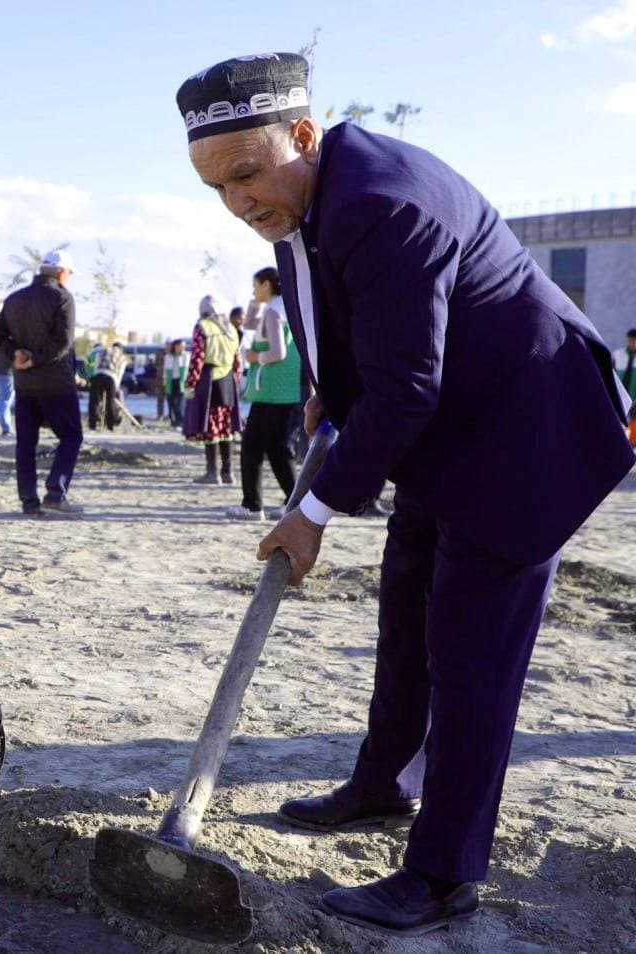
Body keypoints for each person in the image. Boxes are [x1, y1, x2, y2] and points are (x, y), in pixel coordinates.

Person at [176, 52, 635, 935]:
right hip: (446, 433)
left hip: (522, 434)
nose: (238, 203)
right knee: (406, 604)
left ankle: (442, 873)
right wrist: (329, 388)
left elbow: (407, 388)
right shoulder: (304, 196)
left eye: (246, 174)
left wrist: (310, 513)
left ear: (302, 135)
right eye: (217, 187)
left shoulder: (385, 202)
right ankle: (382, 781)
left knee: (471, 653)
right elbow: (344, 321)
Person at [0, 250, 84, 517]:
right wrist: (35, 359)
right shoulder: (62, 297)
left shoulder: (15, 298)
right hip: (56, 384)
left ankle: (29, 501)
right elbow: (63, 343)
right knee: (72, 436)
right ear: (62, 273)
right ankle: (55, 492)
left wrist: (15, 353)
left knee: (26, 444)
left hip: (26, 385)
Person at [226, 267, 300, 520]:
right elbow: (248, 324)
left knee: (252, 448)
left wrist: (254, 356)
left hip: (270, 391)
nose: (253, 290)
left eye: (256, 285)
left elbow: (277, 352)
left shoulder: (272, 313)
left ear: (267, 285)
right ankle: (295, 501)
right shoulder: (284, 307)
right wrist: (255, 301)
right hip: (285, 390)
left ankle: (252, 505)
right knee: (278, 448)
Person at [183, 294, 240, 484]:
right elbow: (238, 361)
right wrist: (235, 381)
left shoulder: (202, 327)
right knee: (226, 427)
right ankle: (228, 472)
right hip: (228, 381)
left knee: (211, 428)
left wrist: (190, 383)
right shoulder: (231, 329)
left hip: (210, 381)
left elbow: (197, 358)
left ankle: (212, 473)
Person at [87, 341, 127, 430]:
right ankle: (110, 425)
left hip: (98, 375)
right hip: (111, 378)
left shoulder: (103, 351)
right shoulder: (122, 357)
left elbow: (96, 364)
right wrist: (116, 386)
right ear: (121, 349)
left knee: (94, 401)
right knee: (110, 402)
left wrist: (96, 374)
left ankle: (92, 424)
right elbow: (120, 372)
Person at [614, 327, 636, 446]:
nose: (633, 343)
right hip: (620, 396)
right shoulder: (618, 355)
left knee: (634, 425)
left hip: (635, 399)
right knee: (618, 423)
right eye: (631, 340)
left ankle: (633, 446)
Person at [164, 338, 189, 428]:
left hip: (181, 381)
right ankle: (173, 421)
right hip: (170, 381)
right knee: (171, 402)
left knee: (180, 403)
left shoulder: (186, 355)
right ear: (176, 346)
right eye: (181, 346)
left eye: (184, 346)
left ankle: (181, 421)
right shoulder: (168, 356)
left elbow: (186, 369)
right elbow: (165, 371)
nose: (183, 347)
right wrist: (164, 382)